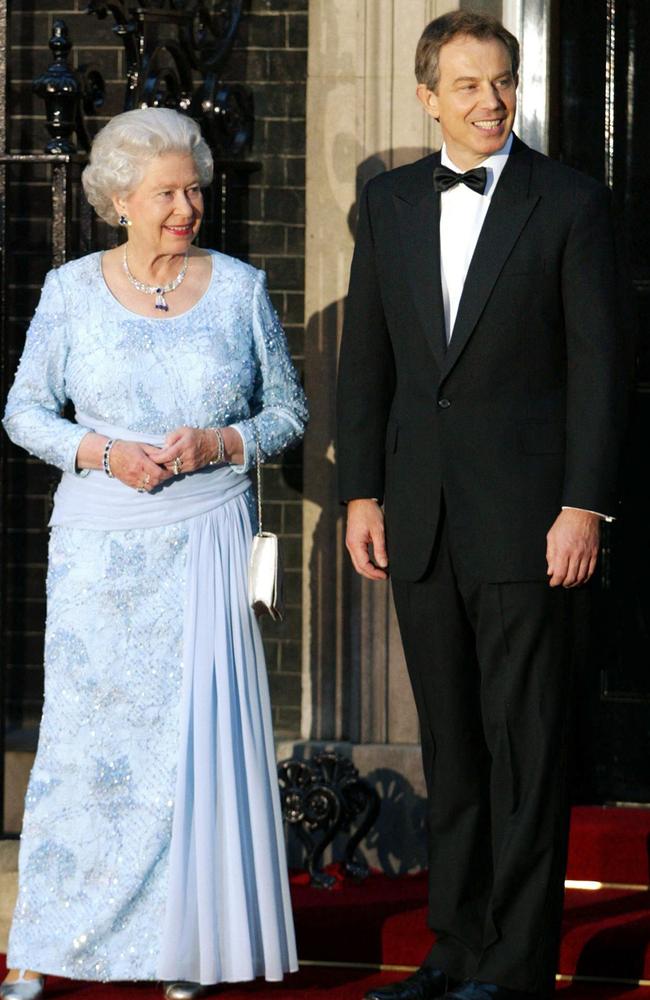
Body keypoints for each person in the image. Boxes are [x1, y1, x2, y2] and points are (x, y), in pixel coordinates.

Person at [336, 11, 625, 1000]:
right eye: (465, 85)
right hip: (417, 514)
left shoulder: (570, 202)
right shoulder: (386, 205)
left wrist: (582, 503)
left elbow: (599, 372)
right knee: (450, 749)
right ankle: (452, 950)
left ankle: (512, 968)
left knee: (524, 747)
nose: (488, 101)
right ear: (426, 96)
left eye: (499, 81)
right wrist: (359, 491)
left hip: (529, 521)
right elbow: (365, 361)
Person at [1, 106, 307, 1000]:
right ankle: (44, 944)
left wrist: (219, 444)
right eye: (168, 192)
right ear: (119, 200)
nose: (187, 207)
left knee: (190, 750)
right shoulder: (69, 292)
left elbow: (287, 413)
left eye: (195, 190)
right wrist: (101, 451)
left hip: (206, 544)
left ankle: (189, 946)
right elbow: (23, 412)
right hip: (99, 553)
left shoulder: (243, 290)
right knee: (84, 745)